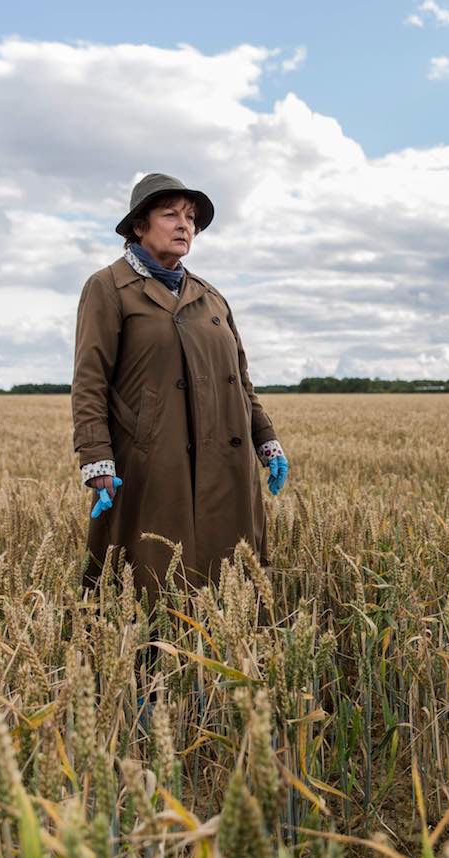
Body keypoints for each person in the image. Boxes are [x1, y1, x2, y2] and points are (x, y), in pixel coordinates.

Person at [71, 172, 289, 595]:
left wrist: (267, 440)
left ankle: (227, 653)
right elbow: (89, 380)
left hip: (226, 462)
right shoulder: (109, 287)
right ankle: (151, 658)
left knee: (231, 582)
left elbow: (241, 380)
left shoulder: (211, 296)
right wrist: (96, 456)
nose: (184, 225)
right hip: (153, 459)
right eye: (170, 214)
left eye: (190, 217)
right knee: (152, 578)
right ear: (139, 226)